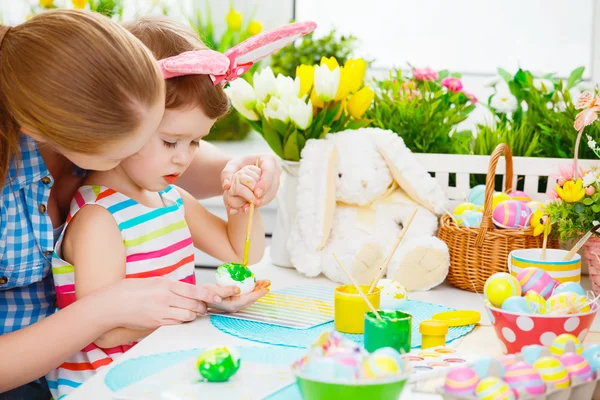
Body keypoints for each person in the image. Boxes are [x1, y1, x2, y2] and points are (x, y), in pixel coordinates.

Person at [0, 10, 280, 398]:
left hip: (151, 355)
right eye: (166, 140)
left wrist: (243, 187)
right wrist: (199, 308)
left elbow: (237, 248)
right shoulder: (99, 217)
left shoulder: (160, 190)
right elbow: (106, 327)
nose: (182, 159)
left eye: (193, 142)